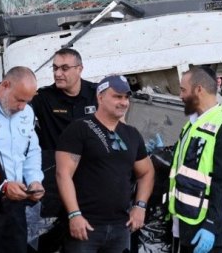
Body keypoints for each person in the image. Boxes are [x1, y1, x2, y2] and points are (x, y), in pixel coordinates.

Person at [56, 74, 154, 253]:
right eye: (117, 96)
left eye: (126, 97)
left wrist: (140, 206)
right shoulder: (80, 128)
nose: (123, 102)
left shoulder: (132, 134)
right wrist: (74, 214)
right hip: (85, 226)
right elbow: (63, 174)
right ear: (100, 97)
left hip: (121, 227)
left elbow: (146, 172)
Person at [169, 66, 222, 253]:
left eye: (183, 90)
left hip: (208, 228)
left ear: (199, 90)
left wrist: (211, 225)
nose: (180, 96)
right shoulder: (194, 124)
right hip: (189, 221)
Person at [30, 48, 98, 251]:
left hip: (91, 180)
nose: (58, 73)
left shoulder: (97, 94)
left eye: (65, 68)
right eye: (55, 68)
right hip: (55, 181)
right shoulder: (43, 98)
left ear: (80, 69)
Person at [0, 66, 45, 253]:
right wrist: (3, 186)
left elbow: (31, 150)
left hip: (16, 203)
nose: (22, 107)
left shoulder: (27, 112)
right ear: (5, 85)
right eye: (19, 100)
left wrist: (34, 180)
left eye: (27, 101)